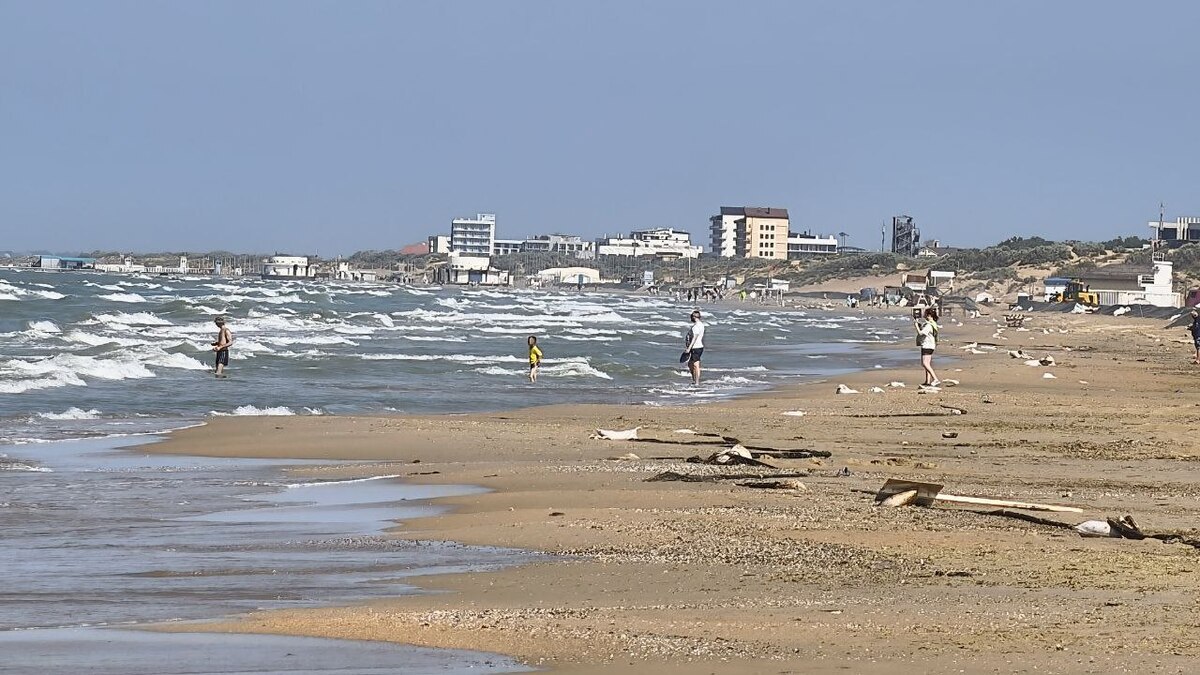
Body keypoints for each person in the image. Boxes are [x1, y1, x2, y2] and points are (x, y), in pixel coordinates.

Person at [915, 307, 940, 387]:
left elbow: (921, 333)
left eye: (925, 314)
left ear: (929, 315)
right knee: (927, 363)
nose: (924, 316)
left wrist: (916, 326)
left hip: (927, 345)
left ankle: (935, 379)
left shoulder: (929, 325)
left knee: (924, 363)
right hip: (930, 345)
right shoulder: (933, 324)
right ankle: (928, 381)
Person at [683, 310, 705, 386]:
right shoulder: (701, 324)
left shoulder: (696, 326)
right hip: (699, 347)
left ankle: (697, 382)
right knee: (690, 364)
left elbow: (694, 338)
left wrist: (689, 348)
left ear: (694, 317)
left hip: (696, 347)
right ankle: (694, 379)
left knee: (696, 365)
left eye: (691, 317)